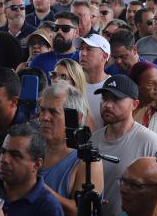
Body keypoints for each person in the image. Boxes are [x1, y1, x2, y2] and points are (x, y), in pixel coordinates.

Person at [89, 75, 157, 216]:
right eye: (104, 98)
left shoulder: (150, 142)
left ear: (134, 105)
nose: (107, 104)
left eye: (116, 99)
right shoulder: (94, 140)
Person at [37, 82, 103, 216]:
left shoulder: (86, 161)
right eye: (42, 110)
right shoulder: (34, 147)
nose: (44, 117)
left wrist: (37, 186)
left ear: (76, 118)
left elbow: (81, 211)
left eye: (53, 112)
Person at [76, 33, 111, 130]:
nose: (83, 53)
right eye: (81, 49)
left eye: (89, 49)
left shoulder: (113, 88)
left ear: (104, 56)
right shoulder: (73, 84)